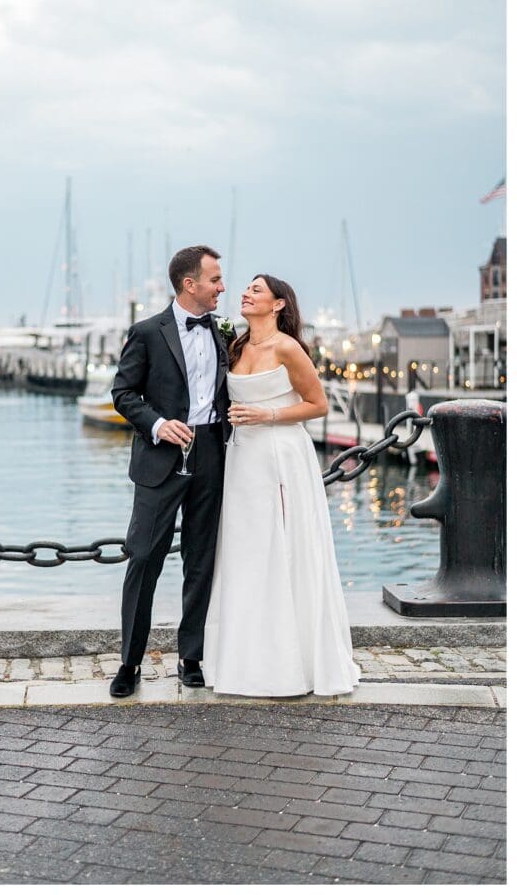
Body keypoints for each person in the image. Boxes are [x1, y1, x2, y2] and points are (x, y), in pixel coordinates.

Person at [203, 274, 360, 697]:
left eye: (256, 290)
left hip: (281, 455)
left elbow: (318, 404)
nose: (245, 293)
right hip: (242, 459)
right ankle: (243, 661)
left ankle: (292, 663)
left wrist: (267, 415)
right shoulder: (235, 346)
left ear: (277, 304)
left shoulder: (288, 348)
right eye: (247, 288)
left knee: (284, 549)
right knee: (246, 554)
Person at [109, 245, 232, 697]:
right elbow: (123, 393)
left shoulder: (224, 332)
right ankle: (129, 662)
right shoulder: (146, 332)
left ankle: (191, 657)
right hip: (160, 458)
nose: (222, 287)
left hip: (212, 453)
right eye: (215, 280)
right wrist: (159, 425)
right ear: (189, 284)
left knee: (201, 559)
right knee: (143, 557)